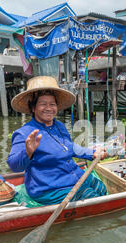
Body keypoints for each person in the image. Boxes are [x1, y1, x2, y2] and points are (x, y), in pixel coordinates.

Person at [7, 76, 107, 207]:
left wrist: (92, 153)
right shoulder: (24, 133)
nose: (48, 108)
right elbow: (14, 166)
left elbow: (69, 147)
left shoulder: (59, 126)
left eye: (52, 104)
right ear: (33, 108)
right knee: (93, 200)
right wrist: (28, 152)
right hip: (50, 188)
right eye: (43, 104)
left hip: (73, 176)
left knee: (102, 189)